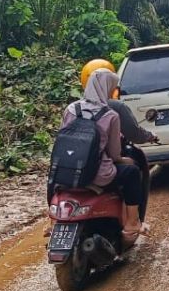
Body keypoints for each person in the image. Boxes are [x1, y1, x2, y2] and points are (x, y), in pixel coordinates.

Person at [56, 68, 144, 241]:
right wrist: (126, 160)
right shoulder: (111, 115)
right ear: (107, 88)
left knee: (53, 175)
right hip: (98, 175)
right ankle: (132, 222)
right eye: (112, 88)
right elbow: (114, 154)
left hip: (68, 171)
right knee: (132, 172)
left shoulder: (71, 109)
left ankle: (51, 223)